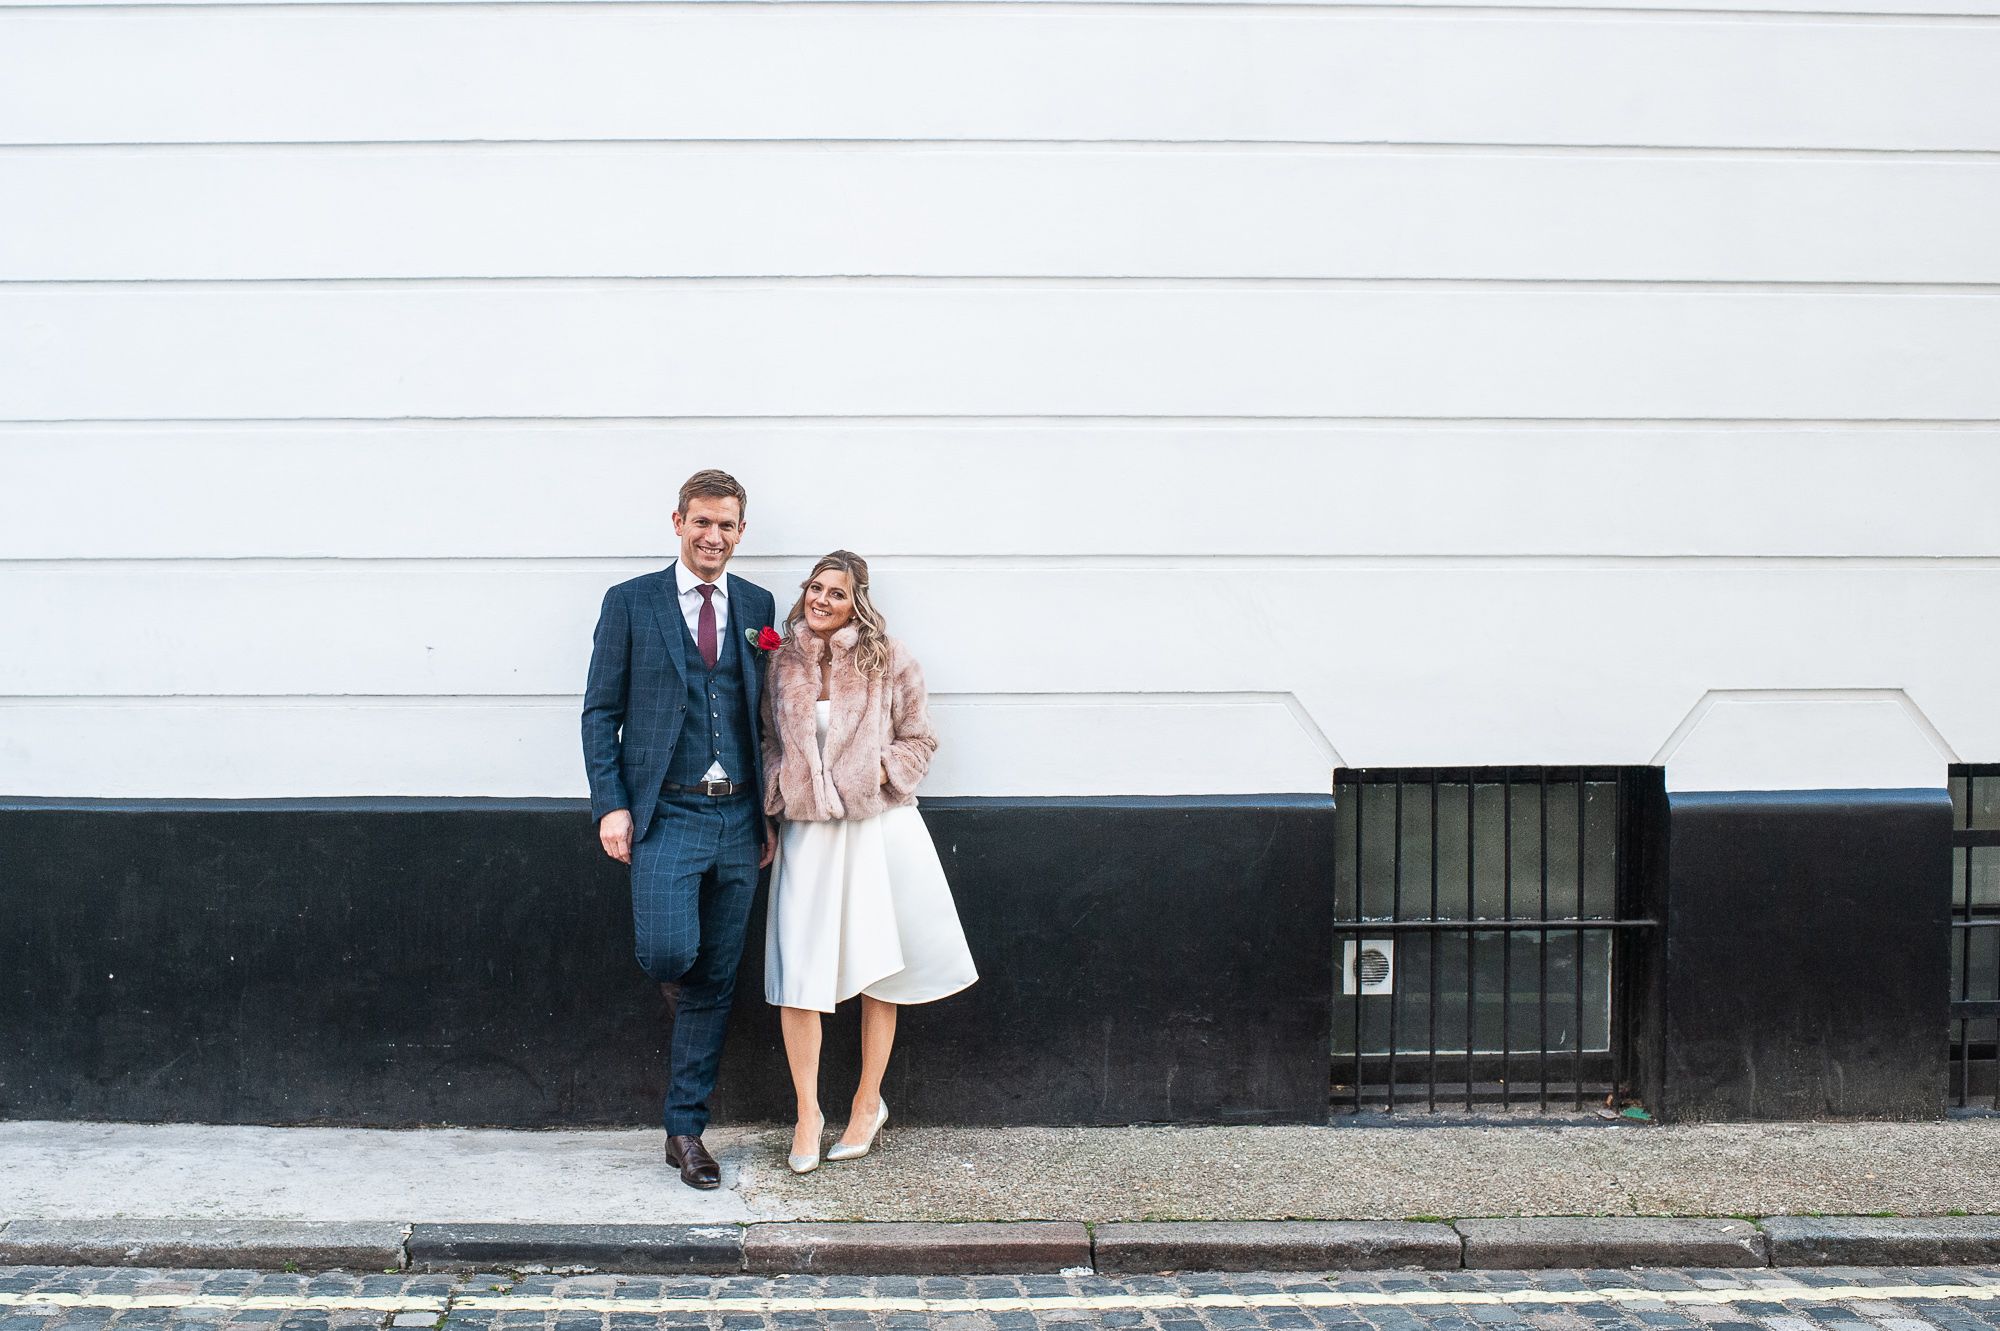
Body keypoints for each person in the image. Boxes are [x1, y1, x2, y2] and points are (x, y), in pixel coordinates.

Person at [581, 469, 781, 1190]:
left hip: (738, 816)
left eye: (726, 524)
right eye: (702, 521)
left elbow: (766, 715)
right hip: (665, 810)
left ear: (740, 531)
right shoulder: (631, 602)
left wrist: (771, 814)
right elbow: (601, 711)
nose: (713, 535)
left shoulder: (758, 606)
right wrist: (611, 802)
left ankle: (685, 1129)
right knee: (671, 951)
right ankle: (690, 1006)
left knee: (717, 981)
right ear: (677, 522)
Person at [759, 550, 978, 1173]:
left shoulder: (889, 657)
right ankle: (807, 1113)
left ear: (859, 600)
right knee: (799, 973)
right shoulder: (780, 660)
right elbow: (769, 741)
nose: (822, 600)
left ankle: (865, 1101)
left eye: (837, 591)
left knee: (878, 968)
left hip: (877, 829)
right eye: (815, 588)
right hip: (808, 832)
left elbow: (920, 739)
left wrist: (874, 771)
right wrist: (785, 783)